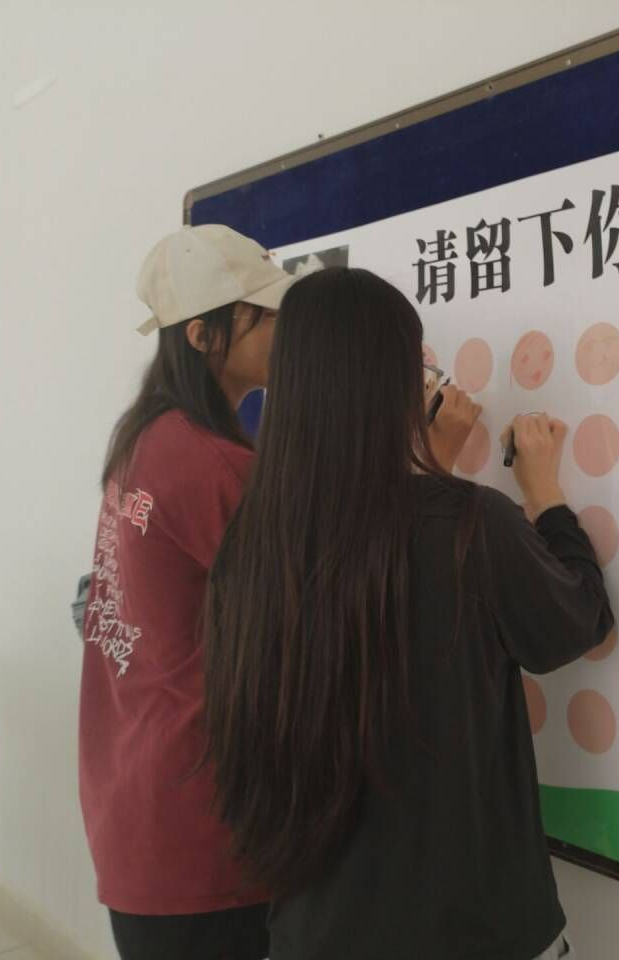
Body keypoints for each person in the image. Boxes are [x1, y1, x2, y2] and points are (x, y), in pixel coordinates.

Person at [79, 228, 482, 959]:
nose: (286, 331)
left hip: (138, 803)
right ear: (202, 334)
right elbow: (329, 604)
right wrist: (434, 466)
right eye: (267, 316)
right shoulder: (214, 467)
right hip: (202, 829)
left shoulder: (146, 439)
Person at [204, 267, 613, 960]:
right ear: (397, 384)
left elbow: (376, 567)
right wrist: (544, 494)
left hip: (315, 934)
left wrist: (431, 467)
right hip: (477, 935)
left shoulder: (253, 542)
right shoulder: (470, 524)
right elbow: (577, 620)